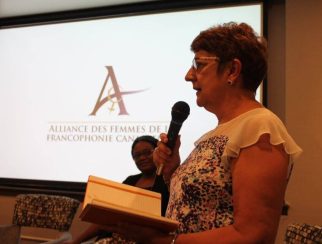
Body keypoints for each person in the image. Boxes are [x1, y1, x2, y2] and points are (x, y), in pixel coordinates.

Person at [104, 22, 302, 244]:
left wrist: (160, 242)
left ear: (232, 71)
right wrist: (171, 171)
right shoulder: (219, 132)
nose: (189, 75)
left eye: (199, 64)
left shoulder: (259, 127)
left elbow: (252, 235)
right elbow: (199, 205)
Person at [68, 135, 169, 244]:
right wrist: (75, 242)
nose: (142, 158)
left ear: (158, 152)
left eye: (147, 152)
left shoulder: (169, 180)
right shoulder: (130, 181)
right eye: (137, 155)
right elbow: (106, 219)